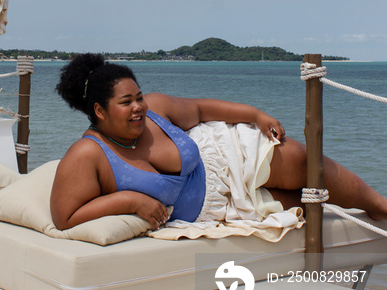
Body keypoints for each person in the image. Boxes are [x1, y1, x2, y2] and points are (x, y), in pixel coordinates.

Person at [50, 53, 387, 234]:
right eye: (127, 102)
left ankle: (378, 204)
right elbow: (64, 217)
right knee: (296, 205)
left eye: (139, 97)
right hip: (212, 208)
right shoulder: (88, 153)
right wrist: (129, 200)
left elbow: (199, 109)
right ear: (99, 110)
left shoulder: (155, 109)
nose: (139, 106)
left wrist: (255, 114)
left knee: (299, 159)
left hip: (222, 155)